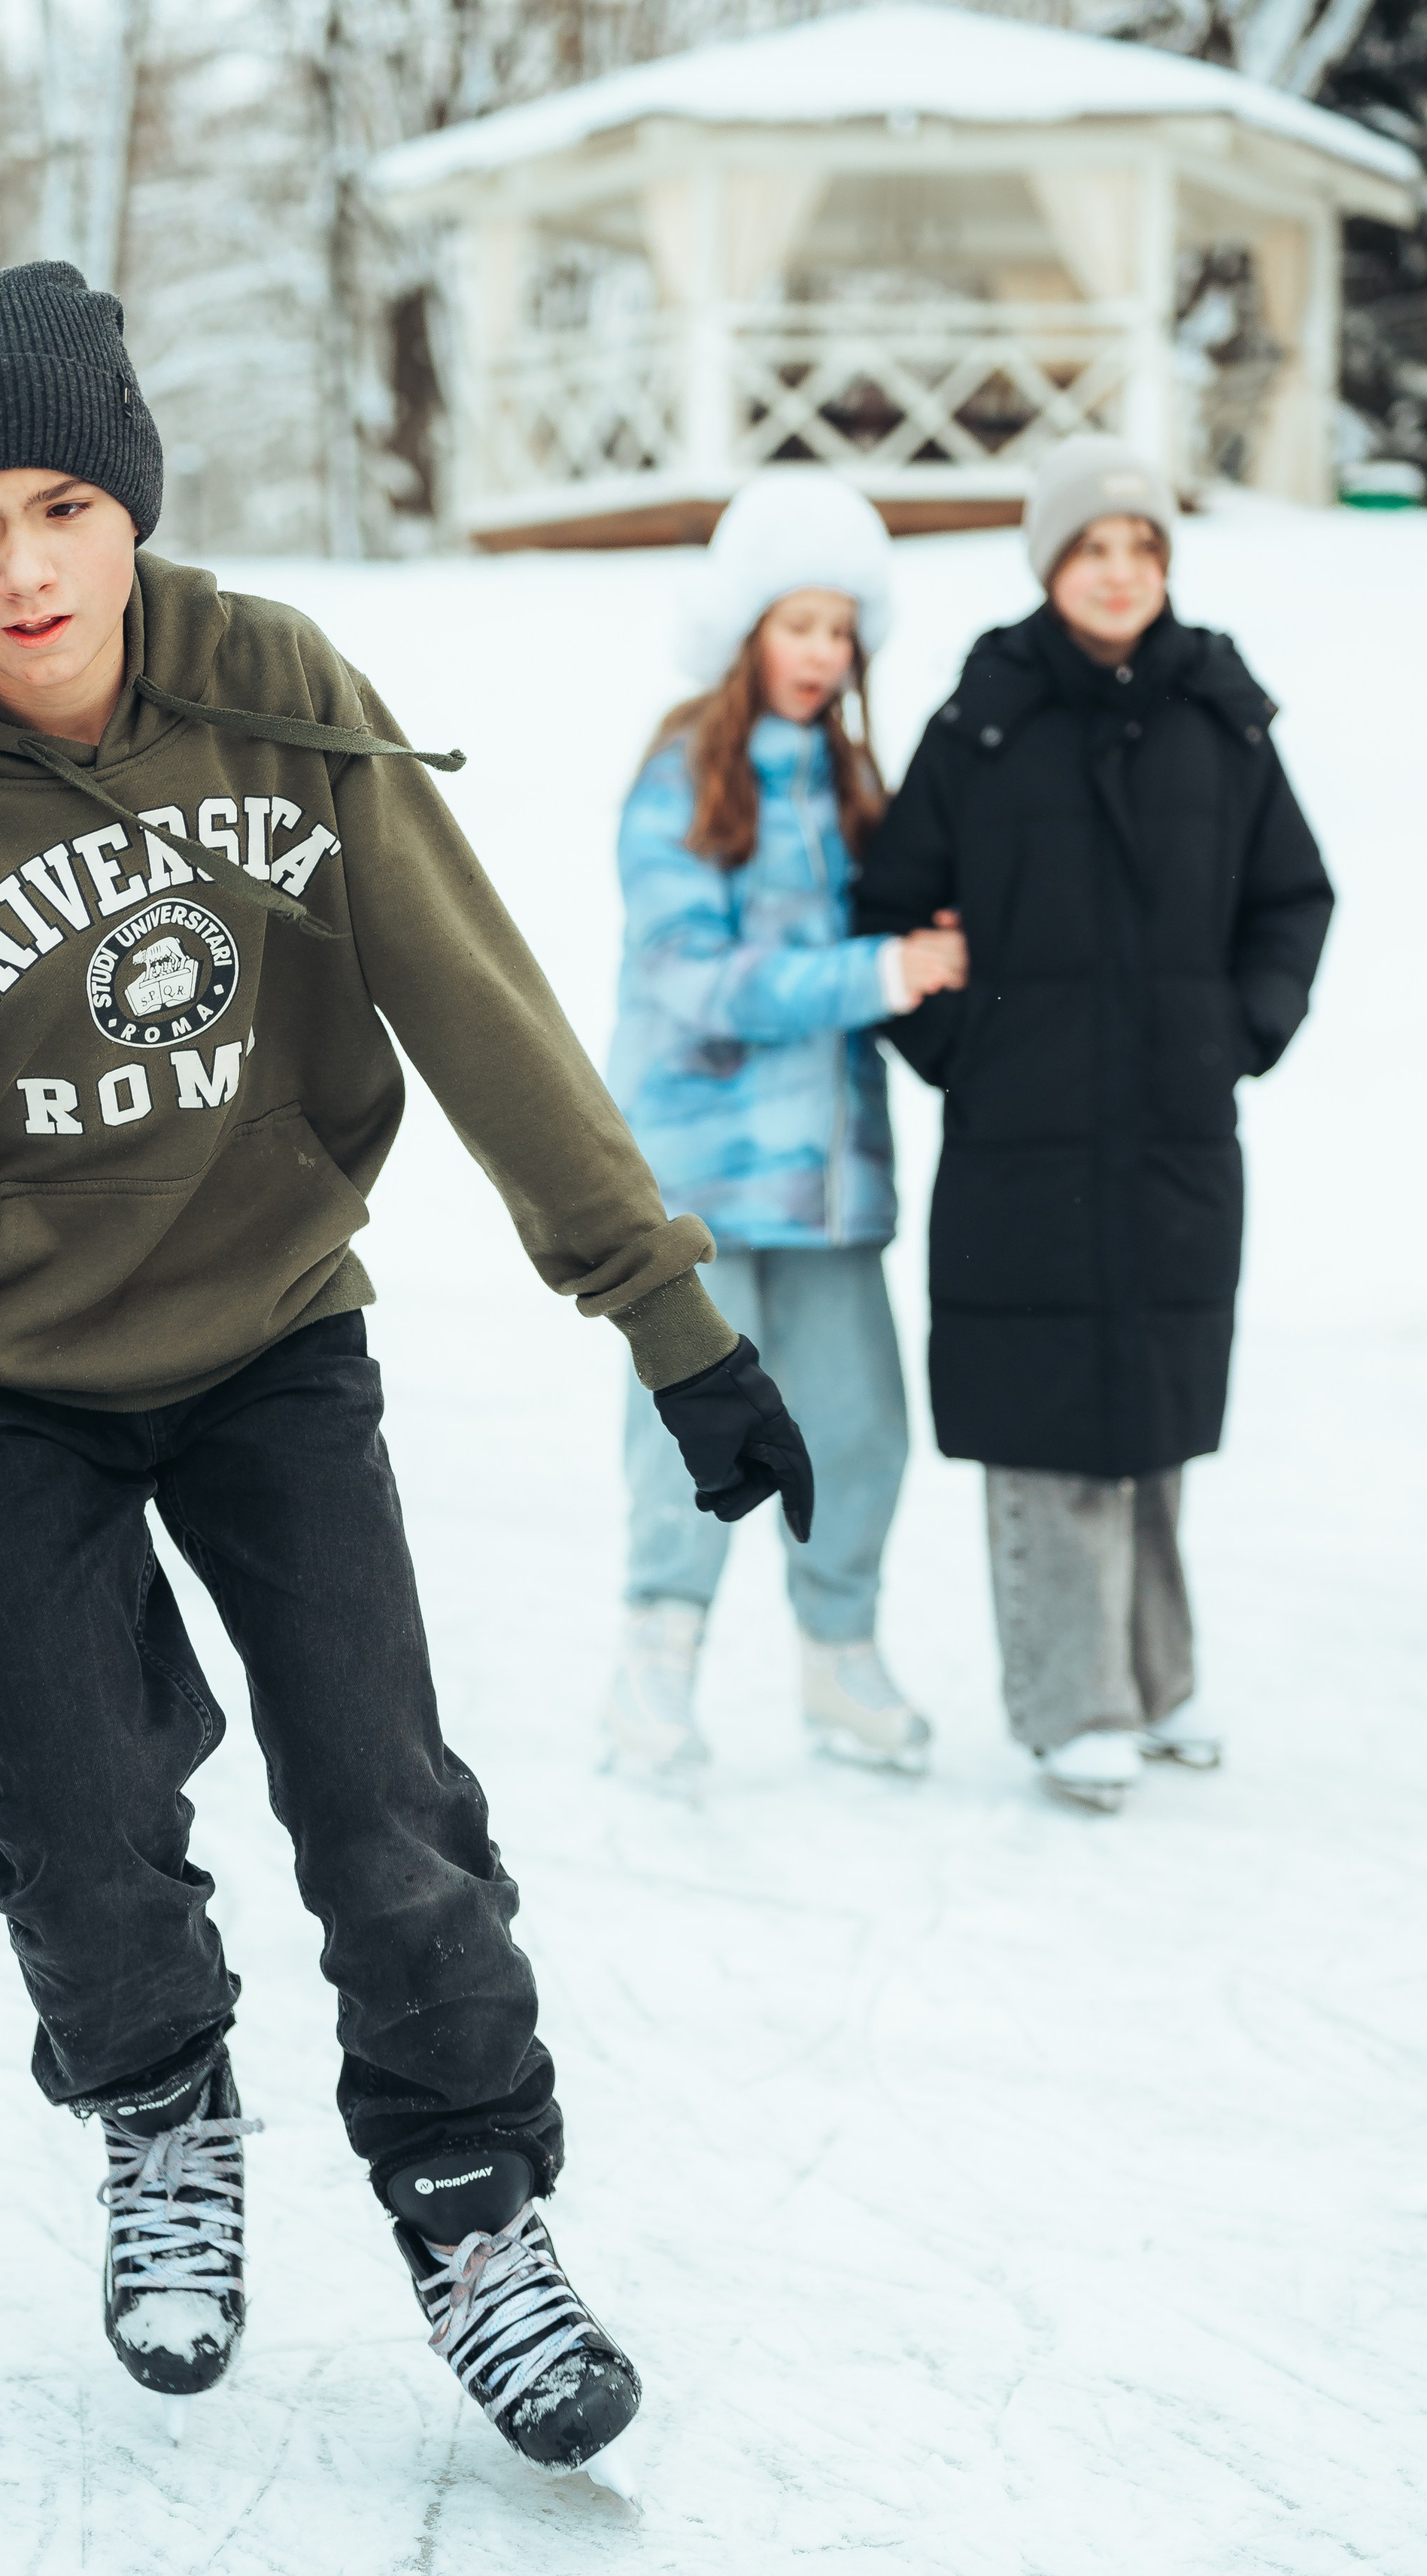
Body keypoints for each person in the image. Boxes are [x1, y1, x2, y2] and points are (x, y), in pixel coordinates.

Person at [0, 262, 818, 2482]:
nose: (23, 569)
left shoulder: (274, 693)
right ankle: (162, 2108)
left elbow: (476, 1010)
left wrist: (666, 1319)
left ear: (134, 508)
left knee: (384, 1804)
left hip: (274, 1331)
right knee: (82, 1819)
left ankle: (471, 2204)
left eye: (64, 508)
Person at [855, 433, 1332, 1811]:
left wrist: (1239, 1031)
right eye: (1092, 547)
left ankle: (1156, 1682)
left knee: (1153, 1417)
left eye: (1142, 547)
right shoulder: (984, 718)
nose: (1119, 571)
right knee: (1047, 1418)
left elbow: (1292, 897)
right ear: (1050, 563)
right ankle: (1073, 1703)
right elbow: (891, 910)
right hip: (1024, 1134)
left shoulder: (1220, 715)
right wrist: (971, 1048)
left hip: (1174, 1128)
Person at [603, 472, 964, 1789]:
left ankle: (839, 1655)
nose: (820, 652)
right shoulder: (680, 775)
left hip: (833, 1183)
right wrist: (881, 972)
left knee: (862, 1423)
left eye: (840, 629)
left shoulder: (853, 779)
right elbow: (693, 975)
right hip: (702, 1175)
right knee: (694, 1424)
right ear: (747, 629)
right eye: (798, 624)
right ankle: (655, 1663)